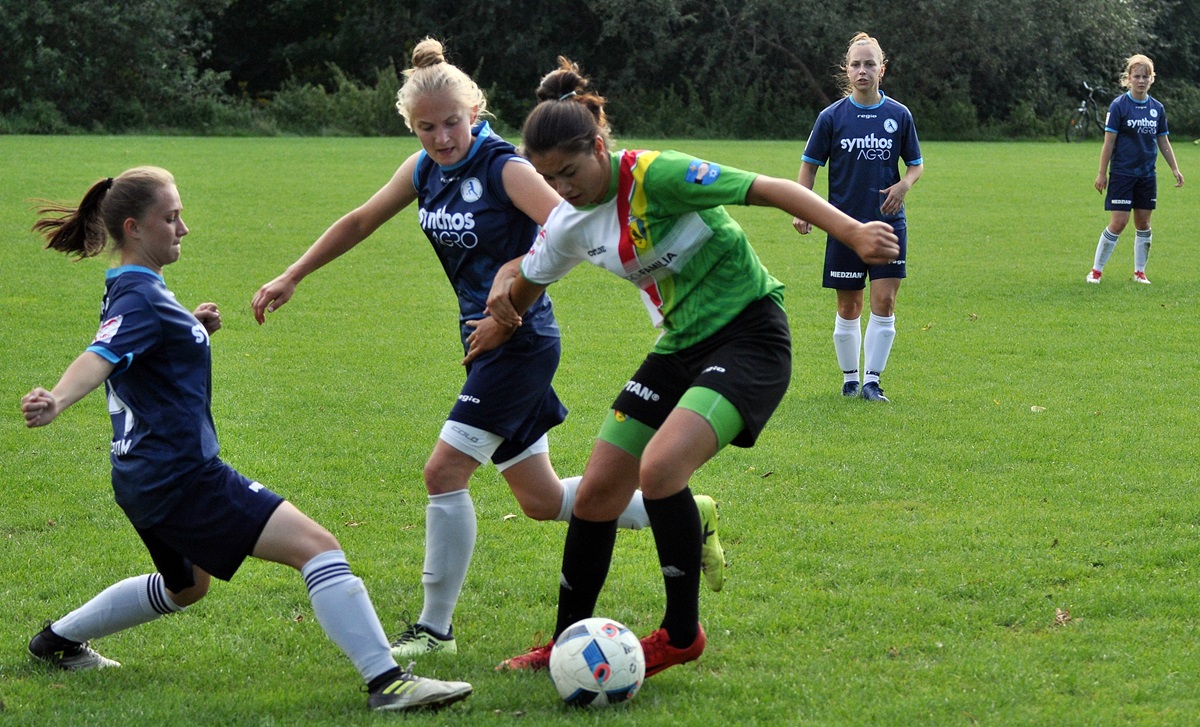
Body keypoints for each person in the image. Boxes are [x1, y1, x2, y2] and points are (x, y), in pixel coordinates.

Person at [250, 38, 725, 661]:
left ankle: (434, 630)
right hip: (480, 343)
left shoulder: (504, 166)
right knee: (540, 499)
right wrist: (294, 273)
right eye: (427, 128)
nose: (442, 138)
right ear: (412, 126)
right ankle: (690, 517)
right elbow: (361, 220)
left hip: (520, 340)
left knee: (442, 472)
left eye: (452, 123)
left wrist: (510, 277)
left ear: (474, 112)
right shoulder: (423, 168)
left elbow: (572, 228)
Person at [475, 58, 898, 676]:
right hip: (679, 348)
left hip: (751, 336)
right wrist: (500, 315)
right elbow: (530, 278)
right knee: (595, 495)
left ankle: (680, 635)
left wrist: (854, 233)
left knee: (662, 467)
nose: (561, 188)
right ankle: (564, 643)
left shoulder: (655, 175)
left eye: (569, 171)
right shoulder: (568, 223)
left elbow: (767, 188)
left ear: (599, 146)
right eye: (547, 178)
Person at [20, 167, 471, 713]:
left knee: (186, 586)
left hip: (140, 476)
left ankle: (56, 642)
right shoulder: (139, 298)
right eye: (171, 218)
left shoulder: (131, 290)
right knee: (319, 548)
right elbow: (102, 357)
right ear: (135, 228)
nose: (183, 228)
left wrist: (191, 326)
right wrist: (59, 400)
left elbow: (137, 349)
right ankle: (388, 683)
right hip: (182, 476)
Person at [793, 32, 923, 403]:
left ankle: (872, 382)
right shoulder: (831, 117)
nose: (862, 70)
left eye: (869, 64)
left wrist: (903, 187)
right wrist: (803, 208)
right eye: (855, 64)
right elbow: (809, 166)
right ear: (846, 71)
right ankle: (850, 380)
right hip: (844, 227)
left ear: (882, 70)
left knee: (885, 303)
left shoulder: (899, 115)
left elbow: (915, 165)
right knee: (849, 305)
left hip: (887, 226)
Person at [1086, 53, 1184, 285]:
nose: (1141, 80)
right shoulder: (1119, 106)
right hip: (1122, 173)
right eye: (1137, 76)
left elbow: (1163, 141)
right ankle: (1096, 271)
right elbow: (1109, 142)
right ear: (1128, 78)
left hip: (1147, 175)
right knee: (1119, 222)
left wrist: (1175, 168)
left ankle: (1140, 272)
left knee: (1144, 224)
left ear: (1152, 79)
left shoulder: (1157, 109)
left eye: (1145, 76)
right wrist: (1102, 173)